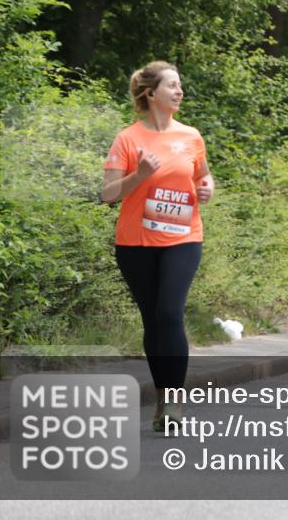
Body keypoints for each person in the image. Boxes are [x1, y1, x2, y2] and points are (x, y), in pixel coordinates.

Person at [102, 61, 214, 431]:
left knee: (169, 312)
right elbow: (108, 195)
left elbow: (202, 175)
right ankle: (162, 397)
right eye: (172, 86)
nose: (180, 91)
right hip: (135, 243)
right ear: (151, 94)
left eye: (180, 85)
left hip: (183, 238)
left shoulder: (192, 137)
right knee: (152, 320)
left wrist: (208, 188)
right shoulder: (128, 139)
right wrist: (141, 175)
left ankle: (174, 402)